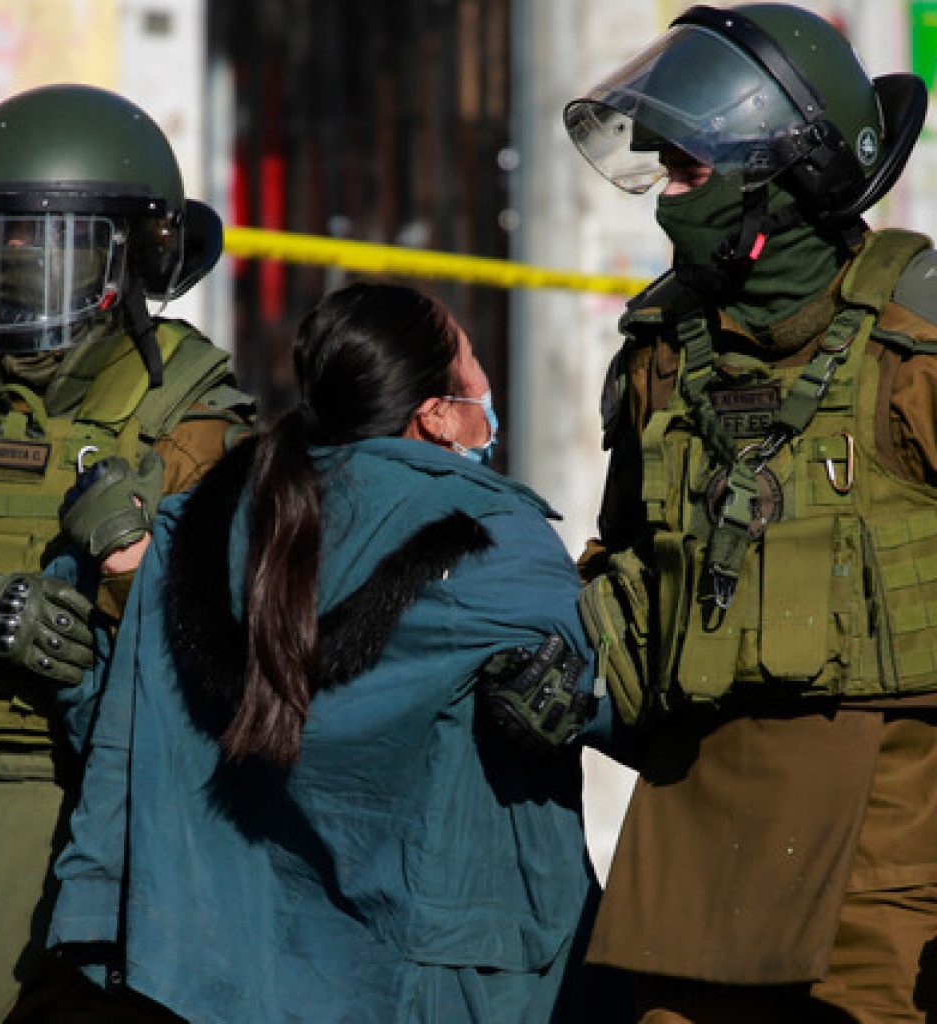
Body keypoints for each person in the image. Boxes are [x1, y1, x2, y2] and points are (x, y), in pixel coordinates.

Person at [46, 281, 618, 1023]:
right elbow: (623, 699)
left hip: (240, 969)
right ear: (437, 414)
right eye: (473, 364)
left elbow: (120, 729)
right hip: (445, 976)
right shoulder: (493, 539)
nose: (487, 386)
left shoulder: (205, 525)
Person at [557, 3, 937, 1021]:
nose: (666, 202)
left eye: (688, 173)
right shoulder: (660, 354)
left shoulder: (916, 346)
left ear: (787, 177)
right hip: (691, 851)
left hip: (886, 859)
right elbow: (628, 567)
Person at [0, 84, 254, 1024]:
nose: (16, 258)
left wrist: (126, 573)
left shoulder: (184, 412)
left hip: (91, 805)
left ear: (130, 253)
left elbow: (227, 645)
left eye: (46, 237)